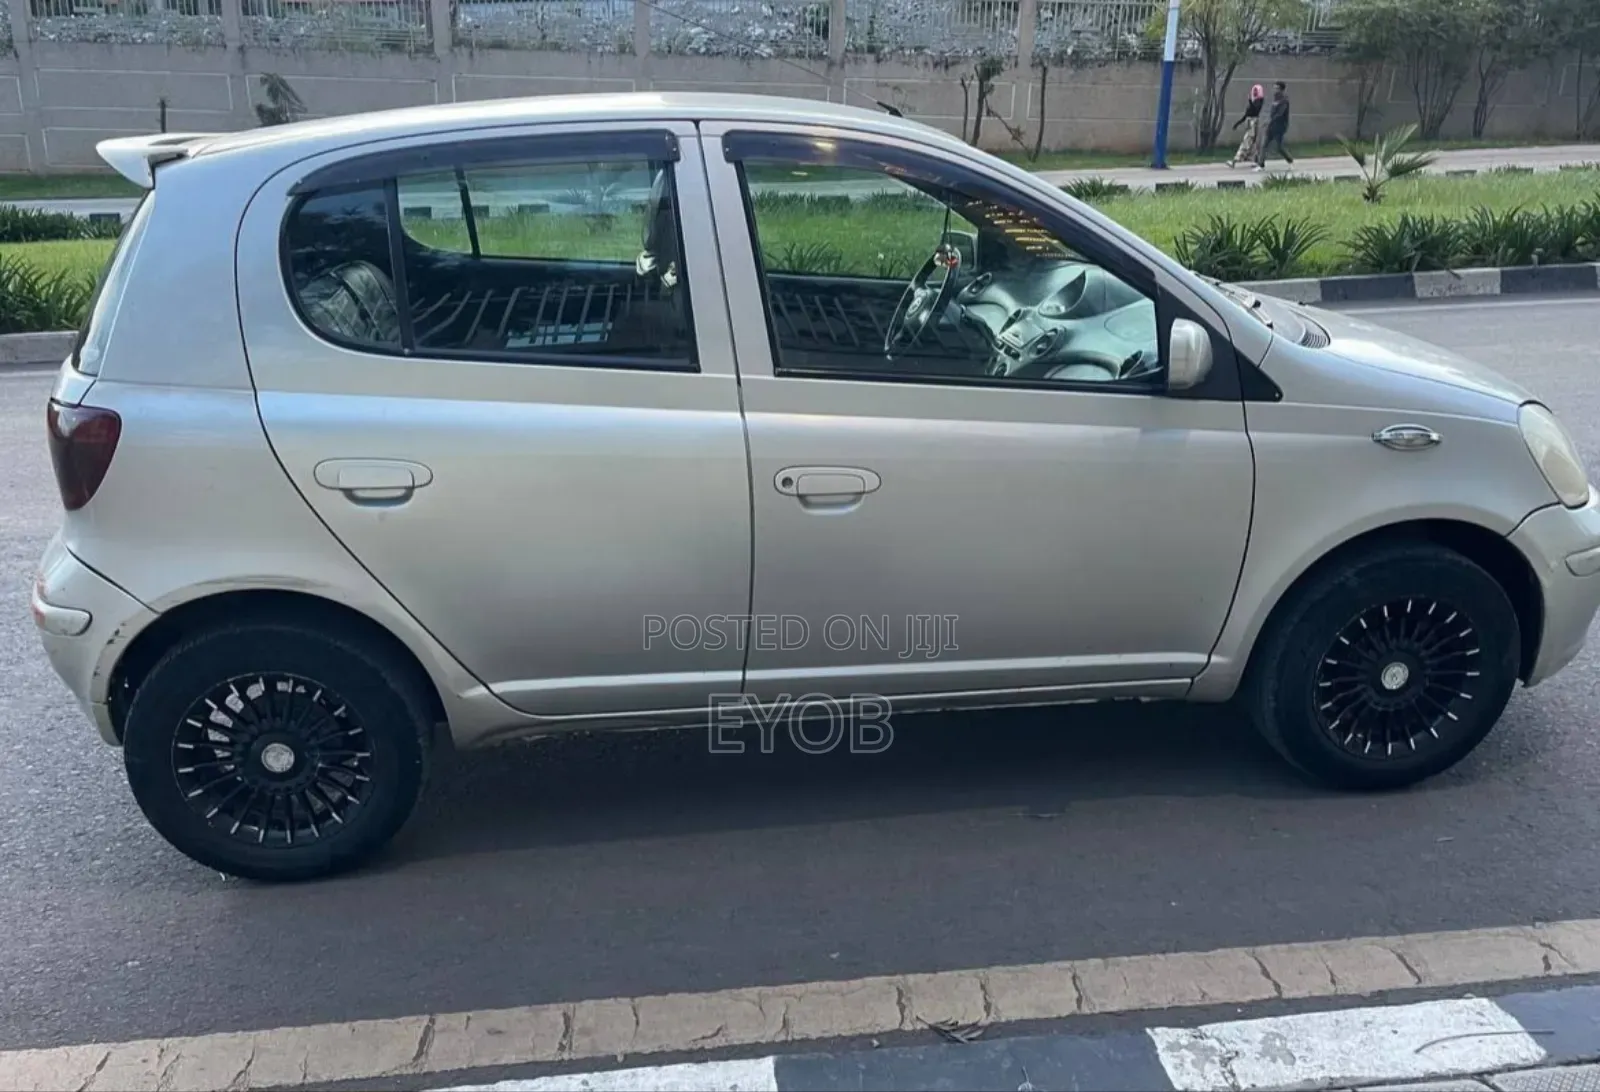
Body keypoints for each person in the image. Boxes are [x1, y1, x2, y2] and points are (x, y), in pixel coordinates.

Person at [1256, 81, 1294, 171]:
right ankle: (1261, 165)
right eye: (1274, 88)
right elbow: (1272, 113)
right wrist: (1268, 121)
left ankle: (1290, 161)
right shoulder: (1275, 99)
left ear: (1281, 90)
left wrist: (1269, 120)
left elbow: (1280, 114)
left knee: (1279, 147)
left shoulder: (1284, 100)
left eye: (1277, 88)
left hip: (1280, 127)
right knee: (1264, 145)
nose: (1275, 90)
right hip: (1271, 126)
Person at [1229, 84, 1265, 168]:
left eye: (1256, 91)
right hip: (1249, 122)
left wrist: (1250, 101)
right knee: (1252, 144)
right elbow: (1247, 114)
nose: (1254, 92)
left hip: (1253, 122)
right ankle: (1257, 161)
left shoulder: (1259, 101)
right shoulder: (1254, 101)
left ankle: (1235, 160)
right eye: (1254, 90)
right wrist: (1238, 123)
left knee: (1247, 141)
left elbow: (1255, 110)